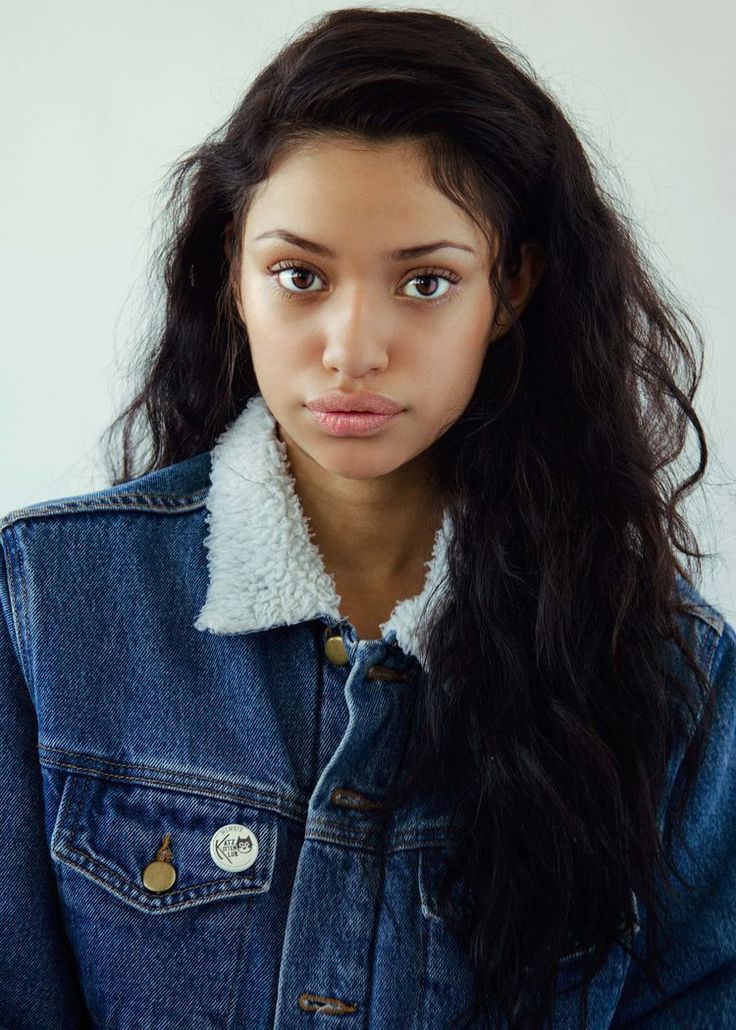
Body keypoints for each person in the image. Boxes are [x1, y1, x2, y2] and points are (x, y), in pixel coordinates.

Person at [0, 7, 734, 1029]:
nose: (353, 348)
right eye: (300, 275)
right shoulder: (45, 606)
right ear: (234, 269)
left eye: (425, 282)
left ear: (510, 286)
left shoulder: (672, 672)